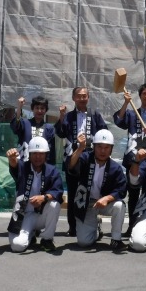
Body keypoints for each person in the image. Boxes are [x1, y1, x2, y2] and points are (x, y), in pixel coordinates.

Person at [113, 82, 146, 236]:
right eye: (144, 94)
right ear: (140, 96)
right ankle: (131, 226)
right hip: (133, 158)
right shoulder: (132, 114)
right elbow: (119, 121)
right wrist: (125, 103)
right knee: (133, 194)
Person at [55, 86, 108, 236]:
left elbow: (104, 132)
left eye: (84, 96)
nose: (82, 98)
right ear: (74, 98)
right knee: (73, 192)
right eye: (79, 96)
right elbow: (60, 132)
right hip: (73, 157)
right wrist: (61, 116)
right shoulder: (69, 116)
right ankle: (73, 226)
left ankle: (93, 223)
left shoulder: (95, 115)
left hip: (91, 158)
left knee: (91, 191)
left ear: (88, 98)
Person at [67, 129, 128, 251]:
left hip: (105, 203)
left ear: (111, 149)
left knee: (119, 205)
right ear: (94, 147)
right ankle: (97, 229)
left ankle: (116, 239)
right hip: (86, 204)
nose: (103, 151)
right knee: (84, 243)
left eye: (106, 147)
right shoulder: (85, 158)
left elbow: (121, 189)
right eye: (99, 147)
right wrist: (80, 148)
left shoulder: (115, 168)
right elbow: (71, 166)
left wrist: (107, 198)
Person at [6, 137, 64, 253]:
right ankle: (30, 234)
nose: (38, 157)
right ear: (29, 154)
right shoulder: (23, 167)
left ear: (46, 155)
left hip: (42, 215)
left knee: (54, 204)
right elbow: (14, 165)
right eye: (35, 153)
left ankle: (47, 239)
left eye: (41, 154)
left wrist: (43, 198)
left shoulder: (52, 171)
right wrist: (11, 159)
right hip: (24, 215)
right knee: (17, 246)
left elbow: (58, 191)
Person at [10, 95, 56, 164]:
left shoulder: (49, 128)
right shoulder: (25, 123)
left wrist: (50, 167)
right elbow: (15, 127)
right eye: (37, 108)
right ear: (32, 109)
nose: (39, 111)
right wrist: (19, 107)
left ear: (46, 110)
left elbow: (51, 151)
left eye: (42, 108)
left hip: (42, 166)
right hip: (24, 164)